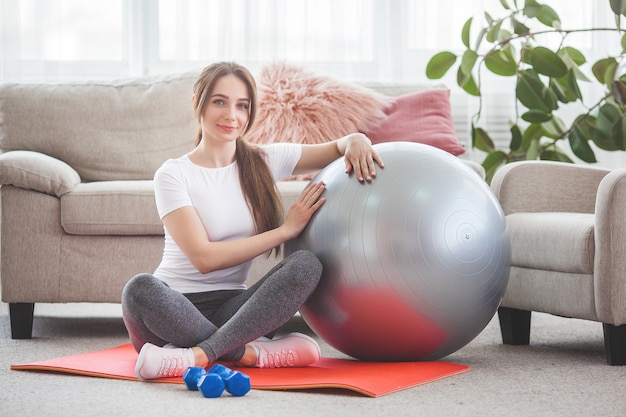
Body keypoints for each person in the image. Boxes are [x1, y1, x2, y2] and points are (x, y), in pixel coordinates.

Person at [121, 61, 384, 380]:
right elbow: (203, 259)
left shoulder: (264, 160)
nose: (232, 115)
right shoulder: (174, 174)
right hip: (172, 312)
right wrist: (285, 231)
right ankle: (247, 353)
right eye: (220, 101)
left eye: (242, 105)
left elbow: (338, 147)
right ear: (197, 103)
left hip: (234, 311)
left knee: (306, 265)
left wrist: (357, 140)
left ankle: (196, 355)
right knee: (138, 289)